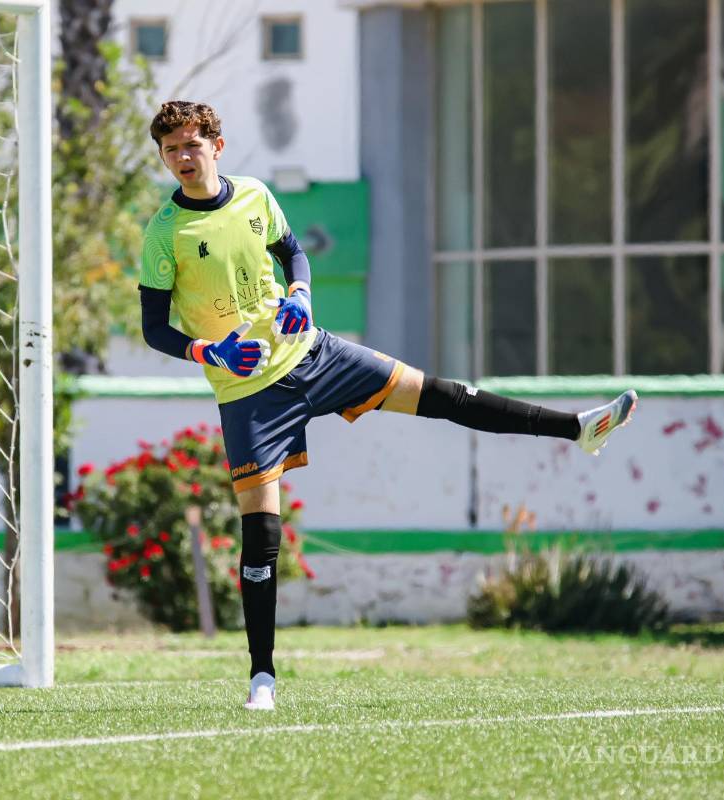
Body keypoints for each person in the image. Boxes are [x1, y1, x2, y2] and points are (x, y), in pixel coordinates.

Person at [138, 101, 637, 711]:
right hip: (248, 394)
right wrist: (209, 353)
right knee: (261, 535)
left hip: (312, 353)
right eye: (172, 151)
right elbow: (153, 328)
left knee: (441, 395)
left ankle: (579, 427)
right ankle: (262, 679)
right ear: (163, 158)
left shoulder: (256, 195)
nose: (184, 159)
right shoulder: (164, 234)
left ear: (217, 145)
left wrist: (301, 292)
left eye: (193, 145)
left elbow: (293, 251)